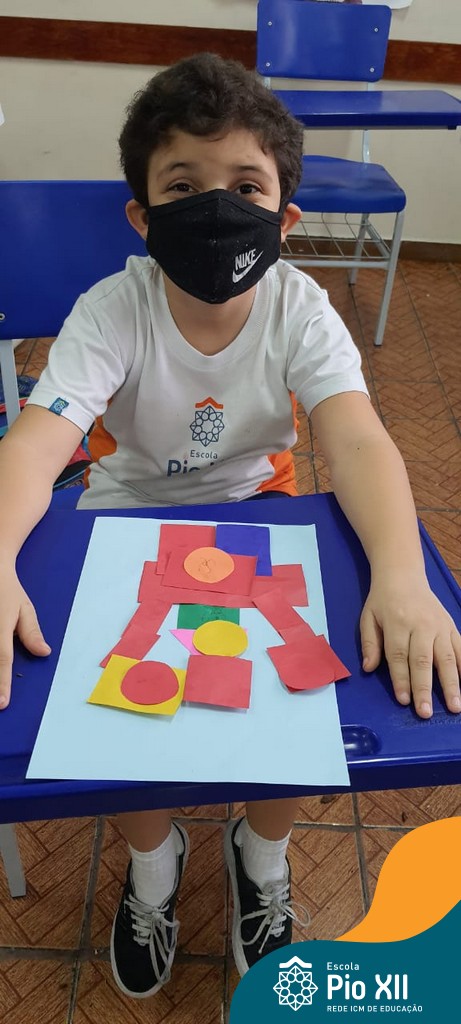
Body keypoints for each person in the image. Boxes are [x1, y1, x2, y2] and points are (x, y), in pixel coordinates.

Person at [0, 52, 460, 999]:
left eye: (245, 186)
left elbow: (358, 441)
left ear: (283, 217)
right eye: (182, 186)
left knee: (300, 689)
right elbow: (37, 442)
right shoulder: (113, 308)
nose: (215, 206)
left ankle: (264, 853)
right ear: (142, 216)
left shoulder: (299, 307)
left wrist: (402, 574)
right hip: (126, 513)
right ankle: (154, 859)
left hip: (258, 514)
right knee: (117, 711)